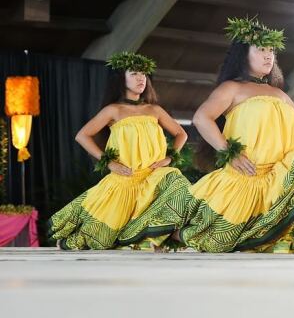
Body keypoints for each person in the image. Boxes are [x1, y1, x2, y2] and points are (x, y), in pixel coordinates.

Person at [179, 17, 294, 253]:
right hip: (246, 176)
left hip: (280, 176)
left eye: (271, 50)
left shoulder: (278, 93)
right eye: (261, 49)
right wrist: (228, 153)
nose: (268, 55)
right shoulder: (232, 88)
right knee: (214, 239)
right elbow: (202, 118)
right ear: (243, 55)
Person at [50, 52, 190, 250]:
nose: (141, 78)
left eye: (143, 74)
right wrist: (109, 162)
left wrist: (169, 158)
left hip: (154, 176)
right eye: (134, 74)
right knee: (100, 238)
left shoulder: (154, 110)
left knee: (176, 180)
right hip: (126, 178)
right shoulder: (113, 110)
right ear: (121, 79)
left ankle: (160, 238)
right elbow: (82, 135)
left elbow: (181, 134)